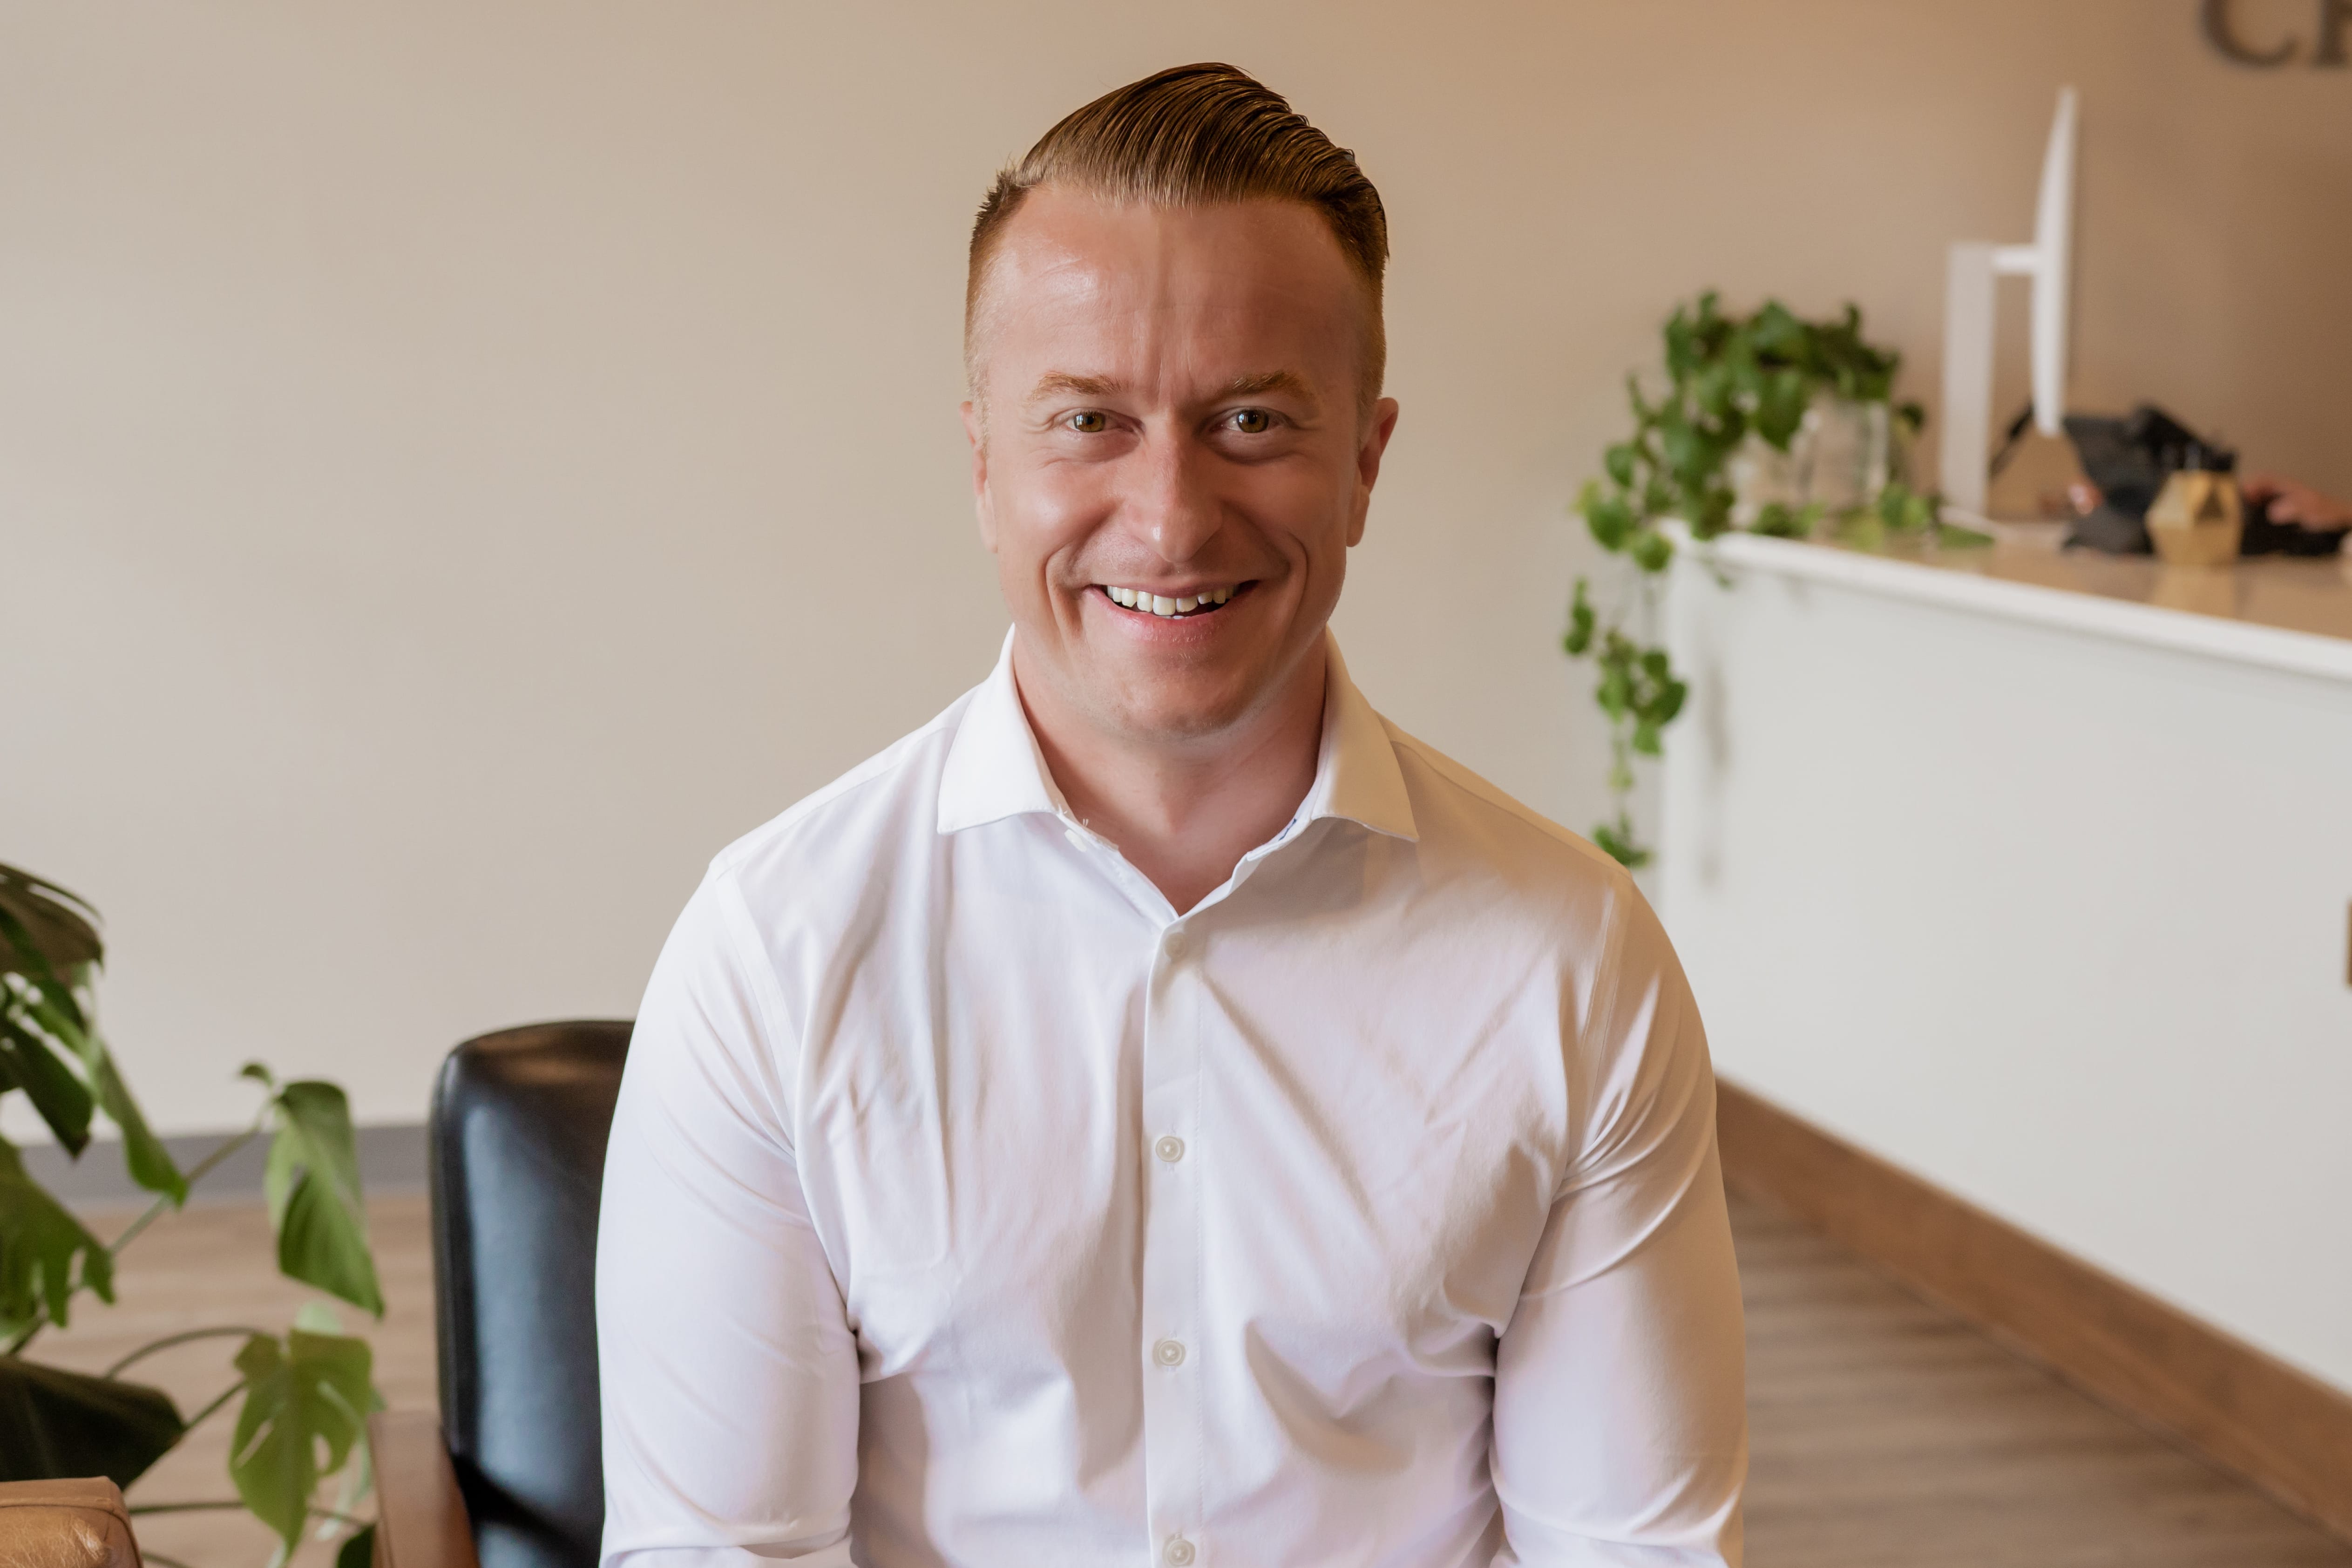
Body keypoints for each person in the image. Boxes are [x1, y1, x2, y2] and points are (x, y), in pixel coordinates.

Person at [596, 63, 1748, 1568]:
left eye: (1251, 420)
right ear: (984, 465)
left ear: (1364, 465)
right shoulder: (773, 951)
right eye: (1088, 421)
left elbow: (1633, 1558)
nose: (1167, 517)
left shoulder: (1572, 962)